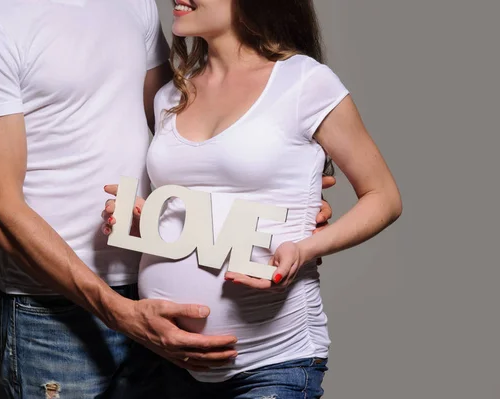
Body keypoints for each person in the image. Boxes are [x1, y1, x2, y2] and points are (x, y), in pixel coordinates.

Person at [0, 0, 337, 397]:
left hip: (163, 301)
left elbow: (184, 132)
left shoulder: (137, 3)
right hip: (56, 313)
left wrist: (283, 204)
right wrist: (120, 313)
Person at [103, 0, 402, 398]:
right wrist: (146, 225)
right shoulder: (170, 95)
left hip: (272, 363)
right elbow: (196, 204)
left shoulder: (304, 82)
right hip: (167, 361)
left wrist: (304, 248)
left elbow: (383, 196)